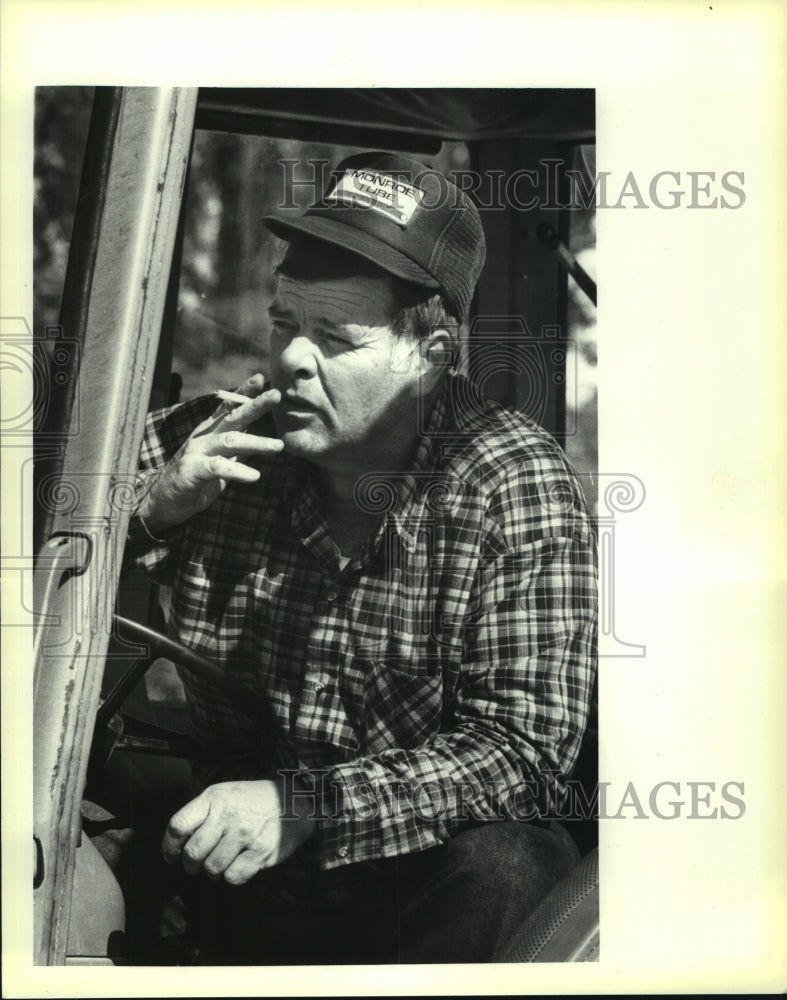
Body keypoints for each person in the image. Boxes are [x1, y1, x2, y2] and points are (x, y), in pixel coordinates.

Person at [127, 151, 597, 964]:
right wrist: (151, 510)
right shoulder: (221, 437)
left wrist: (307, 805)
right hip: (231, 870)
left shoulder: (510, 481)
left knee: (509, 863)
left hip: (409, 890)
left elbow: (524, 755)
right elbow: (39, 539)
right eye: (284, 323)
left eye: (335, 337)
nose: (291, 361)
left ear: (433, 355)